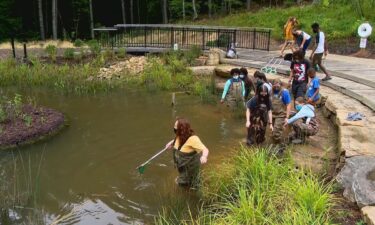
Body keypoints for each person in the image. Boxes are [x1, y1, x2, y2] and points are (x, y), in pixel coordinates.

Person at [165, 118, 209, 187]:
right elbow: (177, 141)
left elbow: (205, 149)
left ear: (182, 130)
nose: (175, 130)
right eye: (174, 128)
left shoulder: (193, 139)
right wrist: (171, 143)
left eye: (176, 129)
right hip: (182, 168)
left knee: (183, 185)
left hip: (190, 170)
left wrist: (204, 156)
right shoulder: (179, 136)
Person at [271, 79, 292, 143]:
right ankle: (276, 143)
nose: (276, 87)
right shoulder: (270, 91)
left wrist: (287, 117)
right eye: (275, 86)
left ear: (281, 85)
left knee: (276, 132)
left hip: (281, 115)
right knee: (273, 131)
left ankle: (278, 146)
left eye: (278, 86)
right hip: (272, 114)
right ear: (272, 85)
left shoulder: (284, 92)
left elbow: (288, 105)